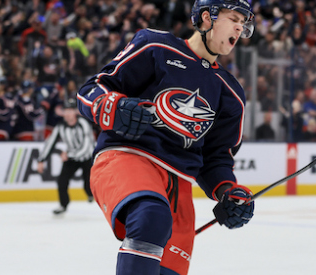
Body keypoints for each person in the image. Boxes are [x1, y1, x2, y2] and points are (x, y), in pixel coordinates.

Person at [76, 0, 256, 274]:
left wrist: (228, 192)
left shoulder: (230, 93)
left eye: (244, 22)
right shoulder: (156, 46)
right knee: (151, 216)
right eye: (234, 18)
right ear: (207, 18)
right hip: (126, 158)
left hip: (178, 185)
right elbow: (92, 89)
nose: (239, 27)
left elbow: (216, 158)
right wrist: (110, 106)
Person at [37, 98, 95, 215]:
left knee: (88, 185)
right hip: (71, 159)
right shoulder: (60, 126)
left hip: (87, 158)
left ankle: (90, 194)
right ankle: (63, 205)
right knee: (62, 181)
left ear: (75, 112)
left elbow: (86, 147)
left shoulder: (83, 124)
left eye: (70, 110)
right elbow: (50, 143)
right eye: (66, 111)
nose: (68, 114)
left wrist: (68, 154)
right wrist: (41, 160)